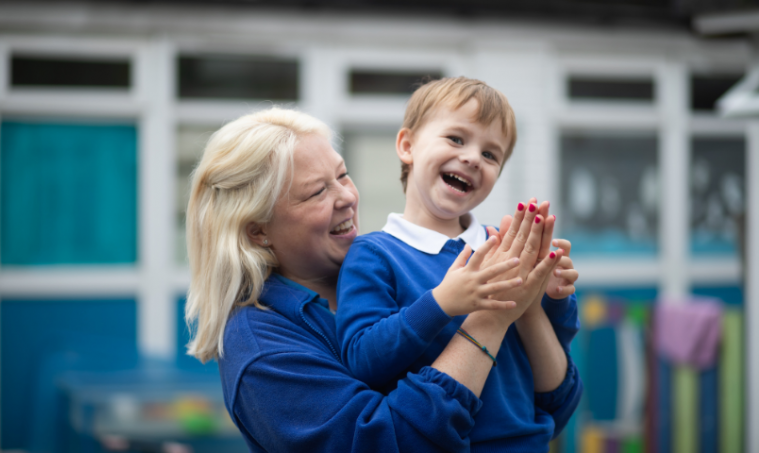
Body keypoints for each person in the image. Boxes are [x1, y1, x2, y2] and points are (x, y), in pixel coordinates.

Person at [184, 107, 562, 452]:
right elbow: (391, 442)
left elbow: (549, 409)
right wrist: (491, 319)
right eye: (317, 191)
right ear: (258, 231)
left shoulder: (394, 269)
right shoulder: (261, 350)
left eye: (343, 175)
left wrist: (531, 303)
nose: (346, 197)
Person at [336, 77, 583, 451]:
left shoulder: (502, 246)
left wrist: (549, 296)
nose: (472, 158)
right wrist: (442, 302)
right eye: (456, 139)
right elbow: (362, 360)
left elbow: (556, 381)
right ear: (407, 145)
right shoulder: (373, 254)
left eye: (491, 154)